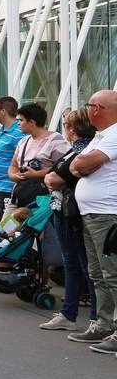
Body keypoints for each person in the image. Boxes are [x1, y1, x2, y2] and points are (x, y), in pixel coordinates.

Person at [65, 90, 117, 354]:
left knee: (112, 273)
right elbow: (77, 165)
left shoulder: (115, 134)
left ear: (96, 109)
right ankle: (104, 324)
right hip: (92, 213)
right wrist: (80, 165)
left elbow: (85, 164)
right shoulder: (100, 136)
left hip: (107, 213)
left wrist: (80, 164)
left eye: (89, 105)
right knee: (98, 274)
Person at [41, 108, 98, 332]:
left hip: (71, 212)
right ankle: (71, 313)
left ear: (72, 129)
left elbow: (56, 179)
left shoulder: (82, 150)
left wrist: (50, 178)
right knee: (75, 264)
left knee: (82, 266)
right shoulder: (77, 150)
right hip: (64, 210)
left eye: (66, 124)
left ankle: (91, 316)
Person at [8, 103, 69, 208]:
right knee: (6, 224)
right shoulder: (23, 141)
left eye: (21, 120)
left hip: (43, 200)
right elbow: (13, 165)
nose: (18, 124)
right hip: (20, 195)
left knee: (35, 224)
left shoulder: (55, 140)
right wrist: (14, 176)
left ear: (32, 122)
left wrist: (37, 174)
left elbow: (64, 169)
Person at [0, 96, 23, 224]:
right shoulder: (0, 129)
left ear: (3, 111)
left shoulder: (19, 132)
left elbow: (22, 160)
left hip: (8, 187)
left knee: (7, 226)